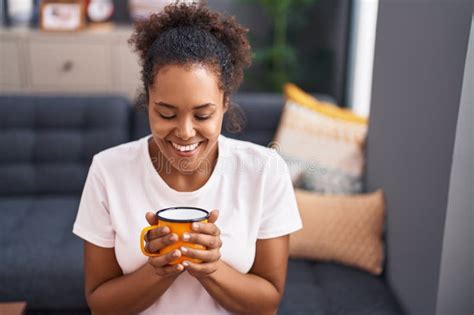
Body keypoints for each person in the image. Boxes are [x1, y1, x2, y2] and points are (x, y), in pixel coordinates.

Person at [72, 3, 302, 314]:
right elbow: (100, 303)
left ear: (224, 103)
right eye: (166, 113)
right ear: (148, 101)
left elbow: (267, 302)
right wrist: (159, 270)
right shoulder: (108, 171)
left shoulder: (264, 171)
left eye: (202, 114)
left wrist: (211, 268)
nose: (184, 132)